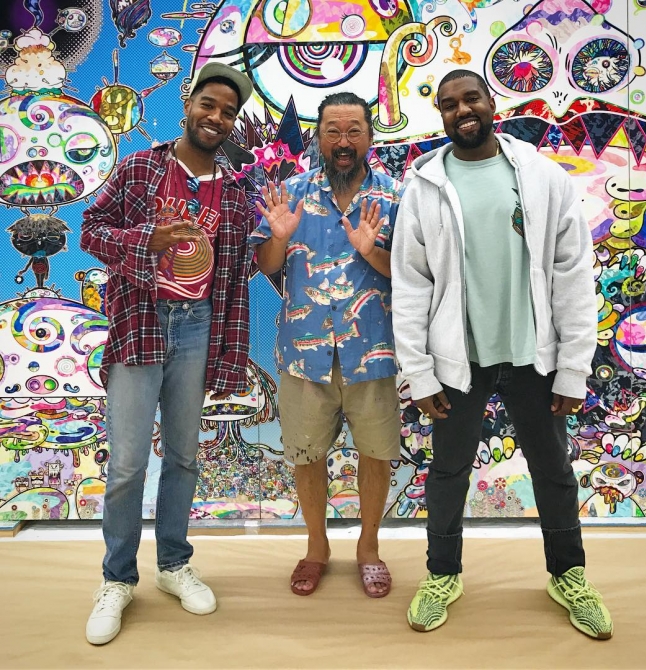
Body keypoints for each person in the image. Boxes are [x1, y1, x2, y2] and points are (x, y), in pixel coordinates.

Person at [391, 69, 613, 639]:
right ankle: (442, 575)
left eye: (471, 99)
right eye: (449, 105)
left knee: (553, 470)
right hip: (458, 358)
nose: (462, 111)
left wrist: (573, 368)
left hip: (532, 356)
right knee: (448, 472)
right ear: (441, 115)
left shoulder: (542, 176)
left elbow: (572, 274)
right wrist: (419, 373)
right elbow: (411, 284)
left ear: (492, 103)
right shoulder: (425, 186)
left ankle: (568, 576)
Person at [80, 62, 255, 645]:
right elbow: (89, 230)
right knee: (128, 463)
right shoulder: (140, 168)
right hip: (141, 322)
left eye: (228, 112)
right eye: (208, 104)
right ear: (188, 105)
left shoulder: (236, 193)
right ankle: (116, 579)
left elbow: (236, 276)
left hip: (198, 326)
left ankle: (174, 564)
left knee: (183, 456)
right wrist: (143, 240)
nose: (216, 117)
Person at [251, 92, 403, 598]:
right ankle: (316, 547)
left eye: (353, 130)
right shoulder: (290, 193)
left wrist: (371, 251)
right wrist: (278, 237)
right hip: (303, 354)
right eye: (333, 131)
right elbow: (268, 265)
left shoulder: (395, 197)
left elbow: (409, 273)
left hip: (372, 351)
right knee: (305, 454)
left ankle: (369, 548)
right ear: (318, 137)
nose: (343, 141)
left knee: (376, 452)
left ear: (370, 137)